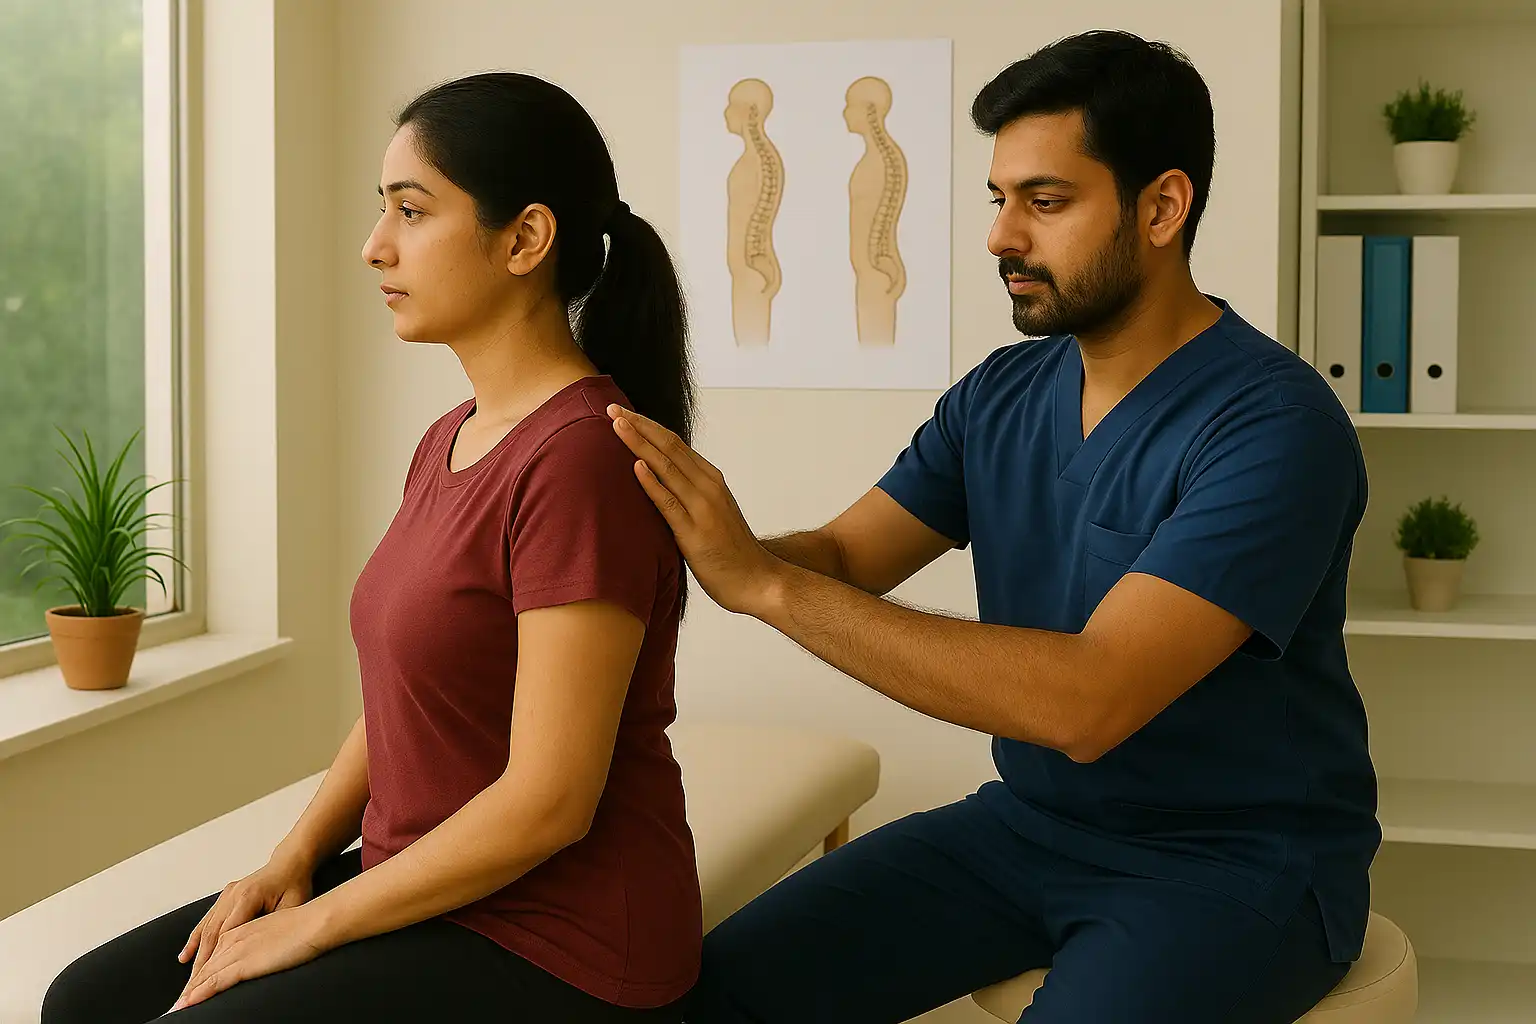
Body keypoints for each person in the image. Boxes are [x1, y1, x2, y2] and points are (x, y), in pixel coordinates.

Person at [610, 30, 1378, 1024]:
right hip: (1029, 827)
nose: (1000, 237)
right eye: (999, 199)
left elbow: (1089, 702)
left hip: (1233, 865)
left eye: (1045, 202)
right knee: (709, 996)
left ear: (1162, 206)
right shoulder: (1004, 394)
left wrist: (765, 585)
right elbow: (848, 555)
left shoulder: (1273, 426)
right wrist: (693, 536)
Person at [42, 72, 699, 1023]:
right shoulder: (454, 435)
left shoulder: (582, 459)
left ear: (524, 239)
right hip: (434, 884)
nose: (374, 246)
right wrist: (293, 859)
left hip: (563, 937)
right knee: (86, 1000)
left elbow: (549, 801)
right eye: (381, 209)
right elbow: (407, 703)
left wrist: (316, 926)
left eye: (411, 210)